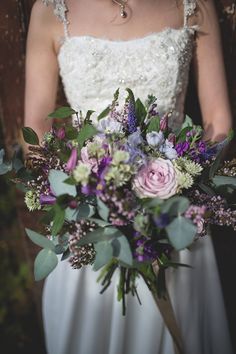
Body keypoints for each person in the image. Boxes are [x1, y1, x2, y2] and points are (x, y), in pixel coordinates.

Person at [24, 1, 233, 353]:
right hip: (88, 222)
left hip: (175, 216)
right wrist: (89, 194)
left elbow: (219, 122)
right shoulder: (50, 9)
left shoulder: (193, 5)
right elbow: (36, 129)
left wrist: (179, 181)